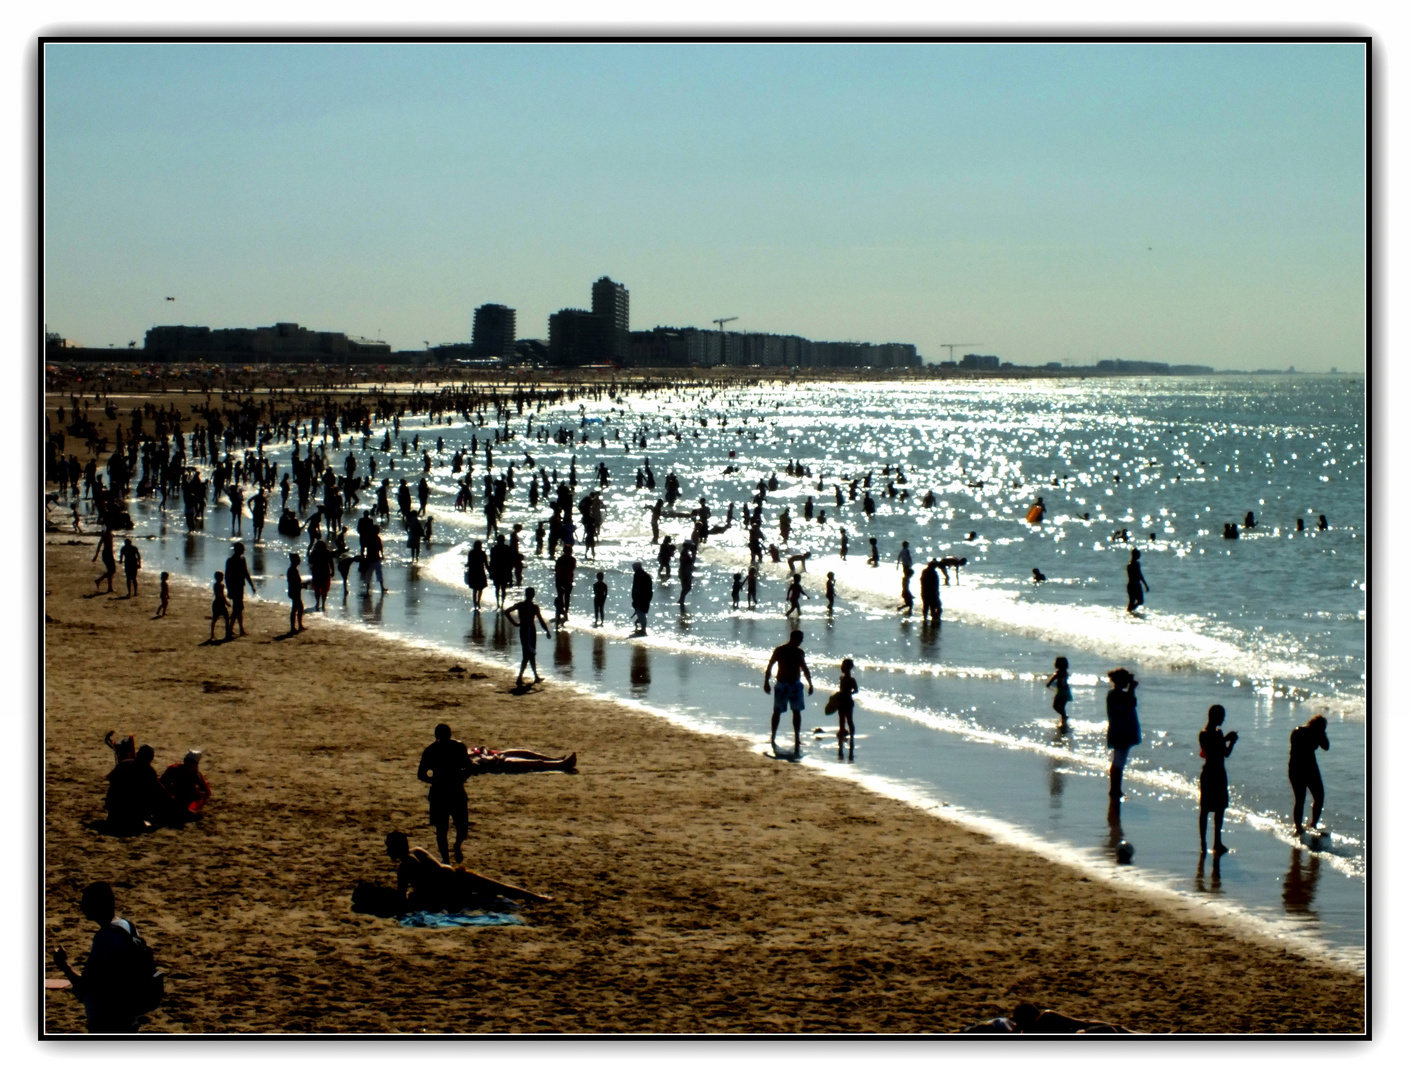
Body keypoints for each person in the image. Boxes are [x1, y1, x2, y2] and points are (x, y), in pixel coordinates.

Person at [51, 882, 158, 1032]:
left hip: (107, 1021)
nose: (82, 907)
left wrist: (63, 965)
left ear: (98, 905)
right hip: (127, 1015)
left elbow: (85, 986)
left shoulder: (105, 938)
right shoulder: (127, 926)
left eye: (86, 902)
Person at [382, 831, 548, 912]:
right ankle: (537, 897)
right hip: (457, 876)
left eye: (389, 847)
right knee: (499, 887)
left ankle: (536, 898)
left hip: (451, 887)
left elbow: (402, 897)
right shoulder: (417, 850)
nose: (388, 851)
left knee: (496, 889)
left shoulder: (404, 867)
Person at [417, 723, 472, 863]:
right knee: (458, 827)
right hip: (454, 791)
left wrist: (434, 781)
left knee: (445, 829)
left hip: (440, 793)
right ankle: (449, 855)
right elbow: (469, 768)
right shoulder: (457, 748)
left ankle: (449, 855)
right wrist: (461, 778)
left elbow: (421, 774)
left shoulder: (432, 750)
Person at [764, 629, 814, 755]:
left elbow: (804, 668)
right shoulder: (783, 650)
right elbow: (770, 665)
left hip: (794, 684)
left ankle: (796, 738)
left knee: (795, 712)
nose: (801, 641)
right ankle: (774, 736)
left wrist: (810, 683)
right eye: (800, 639)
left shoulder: (796, 651)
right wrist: (766, 682)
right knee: (778, 712)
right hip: (783, 684)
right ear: (795, 638)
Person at [104, 744, 175, 833]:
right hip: (132, 813)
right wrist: (172, 800)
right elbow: (160, 791)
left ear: (137, 754)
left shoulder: (123, 764)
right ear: (151, 759)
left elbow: (110, 779)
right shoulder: (148, 771)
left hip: (114, 809)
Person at [1198, 705, 1238, 854]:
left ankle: (1217, 842)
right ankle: (1203, 842)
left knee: (1220, 809)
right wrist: (1226, 739)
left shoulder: (1218, 733)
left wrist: (1231, 742)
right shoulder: (1204, 733)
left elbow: (1225, 753)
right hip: (1209, 773)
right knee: (1206, 809)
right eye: (1221, 716)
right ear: (1213, 716)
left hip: (1220, 772)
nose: (1223, 719)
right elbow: (1210, 750)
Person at [1289, 714, 1330, 834]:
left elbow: (1326, 747)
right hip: (1297, 768)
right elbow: (1300, 749)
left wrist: (1323, 736)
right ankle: (1298, 827)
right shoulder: (1298, 732)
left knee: (1319, 796)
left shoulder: (1318, 734)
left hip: (1311, 768)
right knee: (1300, 798)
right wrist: (1317, 737)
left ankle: (1313, 824)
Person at [1104, 668, 1141, 799]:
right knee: (1119, 762)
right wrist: (1132, 689)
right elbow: (1130, 703)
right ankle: (1115, 789)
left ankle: (1115, 789)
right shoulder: (1114, 695)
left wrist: (1131, 689)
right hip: (1121, 732)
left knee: (1119, 761)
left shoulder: (1117, 694)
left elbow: (1131, 702)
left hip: (1122, 731)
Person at [505, 587, 553, 685]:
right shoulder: (534, 607)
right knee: (528, 655)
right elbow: (540, 620)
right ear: (533, 595)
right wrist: (547, 630)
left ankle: (535, 676)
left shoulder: (521, 605)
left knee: (530, 654)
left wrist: (515, 623)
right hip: (530, 631)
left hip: (524, 630)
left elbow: (507, 612)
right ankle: (520, 677)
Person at [159, 750, 211, 821]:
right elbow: (160, 785)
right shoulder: (174, 770)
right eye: (188, 762)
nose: (189, 766)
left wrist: (198, 793)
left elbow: (207, 792)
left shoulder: (197, 776)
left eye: (192, 764)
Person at [225, 542, 256, 637]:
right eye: (242, 549)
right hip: (235, 586)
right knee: (238, 608)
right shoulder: (231, 561)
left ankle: (237, 629)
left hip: (240, 586)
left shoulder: (242, 559)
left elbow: (246, 573)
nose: (244, 550)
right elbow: (227, 576)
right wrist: (229, 589)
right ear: (237, 549)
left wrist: (252, 585)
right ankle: (231, 628)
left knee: (238, 608)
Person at [834, 657, 858, 754]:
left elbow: (856, 690)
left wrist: (849, 693)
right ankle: (842, 733)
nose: (842, 668)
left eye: (845, 666)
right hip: (841, 701)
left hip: (848, 701)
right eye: (842, 666)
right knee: (841, 719)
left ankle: (852, 736)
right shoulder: (841, 678)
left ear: (849, 668)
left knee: (849, 720)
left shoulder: (852, 679)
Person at [1046, 657, 1072, 730]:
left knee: (1055, 706)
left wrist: (1049, 683)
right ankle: (1063, 720)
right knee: (1062, 707)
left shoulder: (1059, 672)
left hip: (1061, 692)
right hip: (1066, 691)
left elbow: (1054, 678)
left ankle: (1064, 716)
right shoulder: (1066, 672)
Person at [464, 540, 489, 609]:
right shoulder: (483, 553)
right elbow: (486, 564)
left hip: (473, 572)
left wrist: (466, 565)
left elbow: (469, 563)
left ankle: (475, 604)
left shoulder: (471, 553)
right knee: (481, 588)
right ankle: (478, 601)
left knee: (475, 589)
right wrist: (490, 571)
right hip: (480, 572)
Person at [630, 561, 653, 635]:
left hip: (640, 595)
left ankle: (643, 629)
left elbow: (636, 587)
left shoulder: (637, 574)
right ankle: (641, 626)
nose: (633, 569)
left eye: (634, 567)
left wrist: (635, 598)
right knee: (641, 611)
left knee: (640, 612)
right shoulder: (646, 575)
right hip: (647, 595)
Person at [92, 525, 117, 593]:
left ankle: (110, 587)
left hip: (109, 553)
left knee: (111, 571)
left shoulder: (109, 534)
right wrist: (96, 555)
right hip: (107, 553)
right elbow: (100, 545)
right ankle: (99, 580)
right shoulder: (105, 535)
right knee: (112, 570)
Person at [286, 551, 305, 634]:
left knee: (298, 608)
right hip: (295, 591)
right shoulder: (293, 570)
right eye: (298, 559)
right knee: (297, 608)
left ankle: (298, 625)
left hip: (294, 591)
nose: (300, 561)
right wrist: (302, 584)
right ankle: (294, 627)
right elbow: (295, 582)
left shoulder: (292, 570)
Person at [1125, 549, 1149, 613]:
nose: (1139, 556)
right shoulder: (1130, 566)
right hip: (1133, 585)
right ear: (1135, 555)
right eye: (1138, 554)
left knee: (1140, 601)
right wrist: (1145, 585)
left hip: (1136, 584)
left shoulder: (1137, 564)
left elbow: (1140, 575)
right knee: (1133, 601)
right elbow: (1138, 575)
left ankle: (1130, 611)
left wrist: (1145, 585)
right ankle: (1129, 611)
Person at [208, 571, 230, 642]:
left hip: (219, 603)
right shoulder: (218, 585)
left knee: (226, 618)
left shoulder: (220, 585)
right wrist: (226, 601)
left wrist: (225, 601)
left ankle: (227, 633)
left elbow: (221, 594)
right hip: (218, 603)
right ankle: (212, 634)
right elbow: (220, 594)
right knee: (216, 618)